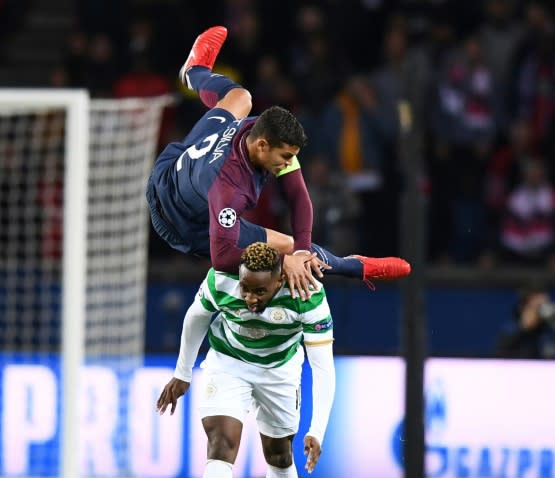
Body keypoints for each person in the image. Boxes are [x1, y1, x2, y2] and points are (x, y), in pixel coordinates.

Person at [146, 25, 411, 300]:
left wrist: (303, 252)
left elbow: (298, 197)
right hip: (178, 219)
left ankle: (194, 72)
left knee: (240, 97)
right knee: (285, 245)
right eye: (285, 157)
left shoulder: (257, 130)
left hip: (178, 162)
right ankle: (354, 267)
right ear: (262, 145)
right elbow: (222, 258)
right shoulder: (229, 189)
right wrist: (287, 260)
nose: (288, 163)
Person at [156, 242, 335, 478]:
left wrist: (318, 428)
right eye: (245, 288)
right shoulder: (221, 279)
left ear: (280, 281)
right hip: (228, 363)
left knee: (281, 456)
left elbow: (323, 367)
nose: (250, 297)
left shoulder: (308, 294)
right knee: (221, 445)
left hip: (280, 371)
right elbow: (196, 317)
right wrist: (182, 373)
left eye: (259, 290)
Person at [495, 284, 555, 359]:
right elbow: (502, 360)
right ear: (523, 308)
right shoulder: (510, 332)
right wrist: (524, 329)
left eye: (547, 305)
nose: (543, 311)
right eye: (538, 307)